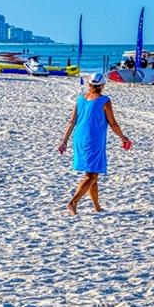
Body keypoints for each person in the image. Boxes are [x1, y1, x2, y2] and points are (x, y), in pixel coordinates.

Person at [58, 72, 132, 215]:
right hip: (93, 140)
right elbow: (113, 123)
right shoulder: (104, 101)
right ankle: (73, 202)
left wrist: (64, 141)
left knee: (92, 174)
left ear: (89, 84)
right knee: (91, 176)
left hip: (79, 138)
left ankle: (97, 206)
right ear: (103, 85)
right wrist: (123, 138)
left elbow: (72, 122)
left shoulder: (80, 99)